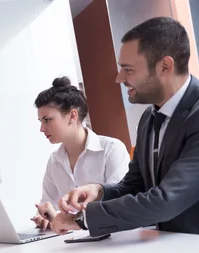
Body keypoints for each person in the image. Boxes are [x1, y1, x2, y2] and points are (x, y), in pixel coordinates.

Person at [53, 17, 199, 236]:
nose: (119, 78)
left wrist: (84, 219)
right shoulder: (149, 118)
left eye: (128, 69)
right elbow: (136, 185)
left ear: (165, 66)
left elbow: (166, 200)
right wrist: (99, 191)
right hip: (171, 251)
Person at [31, 77, 130, 230]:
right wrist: (45, 216)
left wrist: (65, 219)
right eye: (41, 121)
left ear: (72, 116)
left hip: (114, 239)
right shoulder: (54, 161)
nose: (42, 128)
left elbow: (117, 205)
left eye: (47, 120)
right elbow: (48, 204)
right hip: (72, 243)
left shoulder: (112, 149)